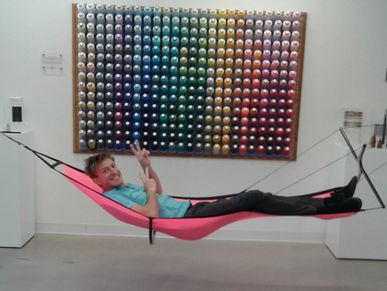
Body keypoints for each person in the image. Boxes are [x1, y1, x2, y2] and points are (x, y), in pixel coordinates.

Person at [84, 141, 362, 218]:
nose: (114, 171)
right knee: (254, 198)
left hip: (190, 206)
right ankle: (329, 205)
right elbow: (152, 213)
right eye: (106, 171)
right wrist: (150, 192)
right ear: (97, 181)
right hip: (189, 216)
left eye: (113, 166)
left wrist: (148, 167)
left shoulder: (124, 185)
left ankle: (332, 201)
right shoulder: (114, 197)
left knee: (260, 200)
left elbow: (161, 192)